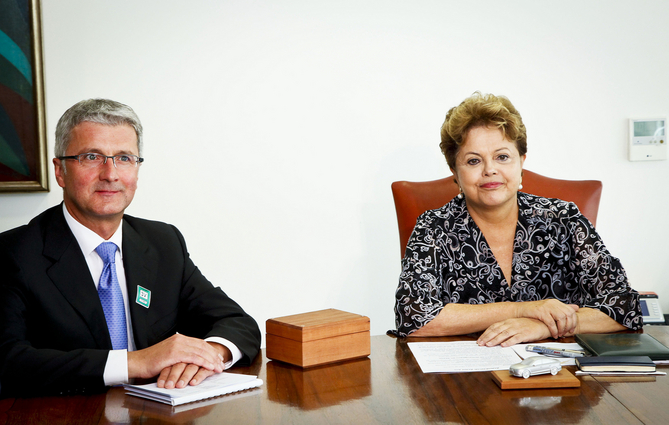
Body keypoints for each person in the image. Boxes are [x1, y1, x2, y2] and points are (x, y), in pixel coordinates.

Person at [0, 99, 261, 397]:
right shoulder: (14, 253)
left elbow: (238, 322)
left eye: (124, 158)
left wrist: (209, 355)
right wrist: (134, 363)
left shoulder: (163, 242)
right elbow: (8, 360)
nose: (110, 174)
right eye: (91, 156)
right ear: (60, 172)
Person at [392, 92, 642, 346]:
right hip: (467, 379)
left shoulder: (564, 219)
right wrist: (523, 309)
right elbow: (413, 317)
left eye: (502, 157)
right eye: (473, 160)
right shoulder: (433, 228)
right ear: (455, 172)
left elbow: (624, 305)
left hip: (561, 376)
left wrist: (542, 326)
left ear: (521, 163)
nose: (490, 169)